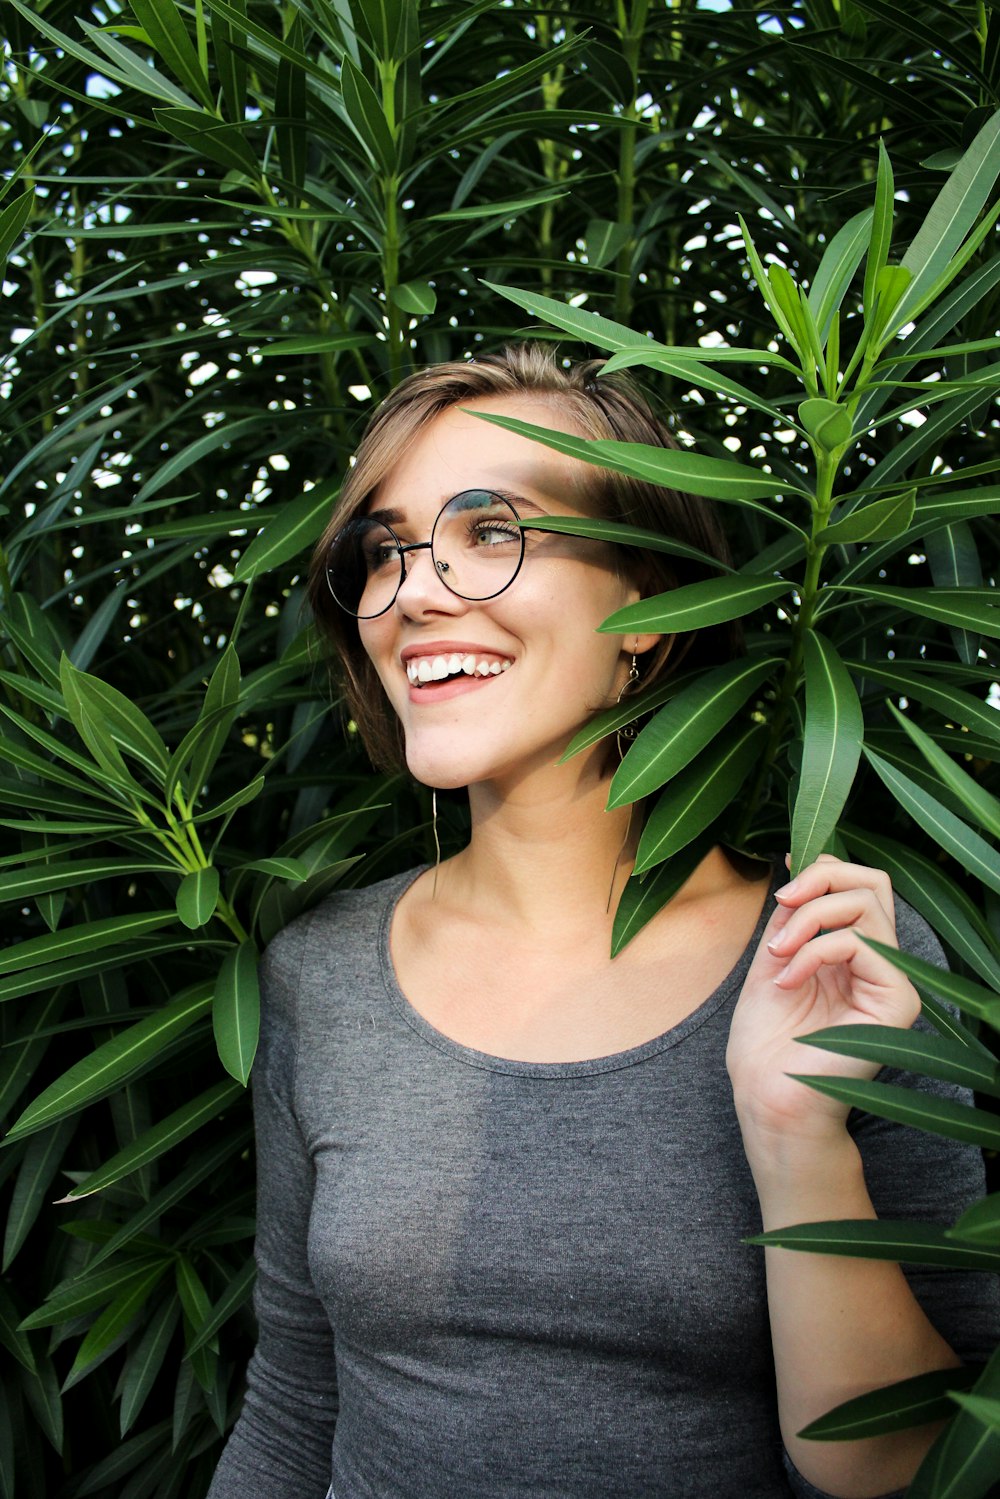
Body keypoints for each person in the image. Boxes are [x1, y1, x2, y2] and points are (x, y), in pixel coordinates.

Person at [208, 345, 995, 1499]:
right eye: (384, 548)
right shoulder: (315, 974)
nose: (413, 591)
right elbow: (292, 1405)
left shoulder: (827, 963)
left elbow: (909, 1461)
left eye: (491, 530)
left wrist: (798, 1142)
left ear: (648, 607)